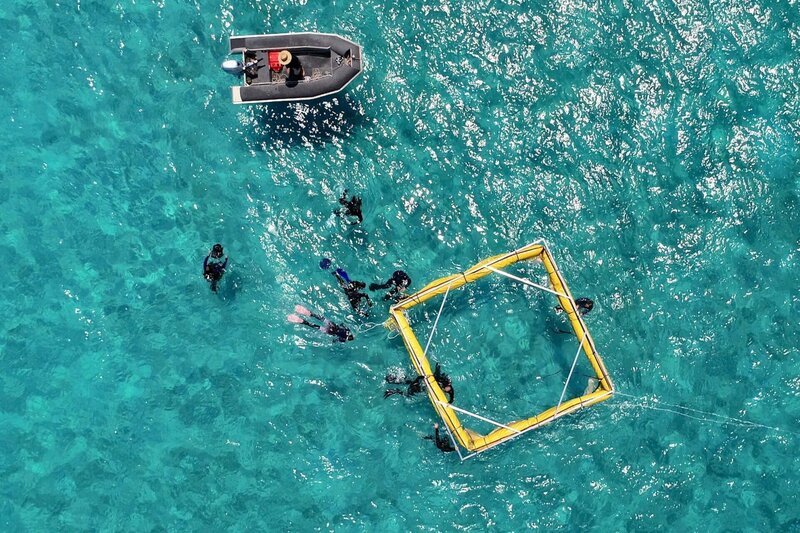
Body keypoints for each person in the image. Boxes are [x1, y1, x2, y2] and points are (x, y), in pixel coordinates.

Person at [384, 363, 453, 403]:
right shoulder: (440, 379)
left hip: (418, 384)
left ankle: (394, 384)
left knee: (409, 383)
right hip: (417, 385)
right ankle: (394, 388)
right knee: (409, 391)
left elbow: (451, 398)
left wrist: (448, 402)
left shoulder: (450, 390)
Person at [287, 305, 354, 342]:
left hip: (333, 325)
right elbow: (337, 339)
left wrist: (342, 324)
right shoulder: (344, 339)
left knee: (321, 318)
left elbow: (342, 325)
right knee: (317, 327)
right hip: (330, 332)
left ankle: (311, 314)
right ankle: (304, 322)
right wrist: (333, 341)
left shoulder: (348, 331)